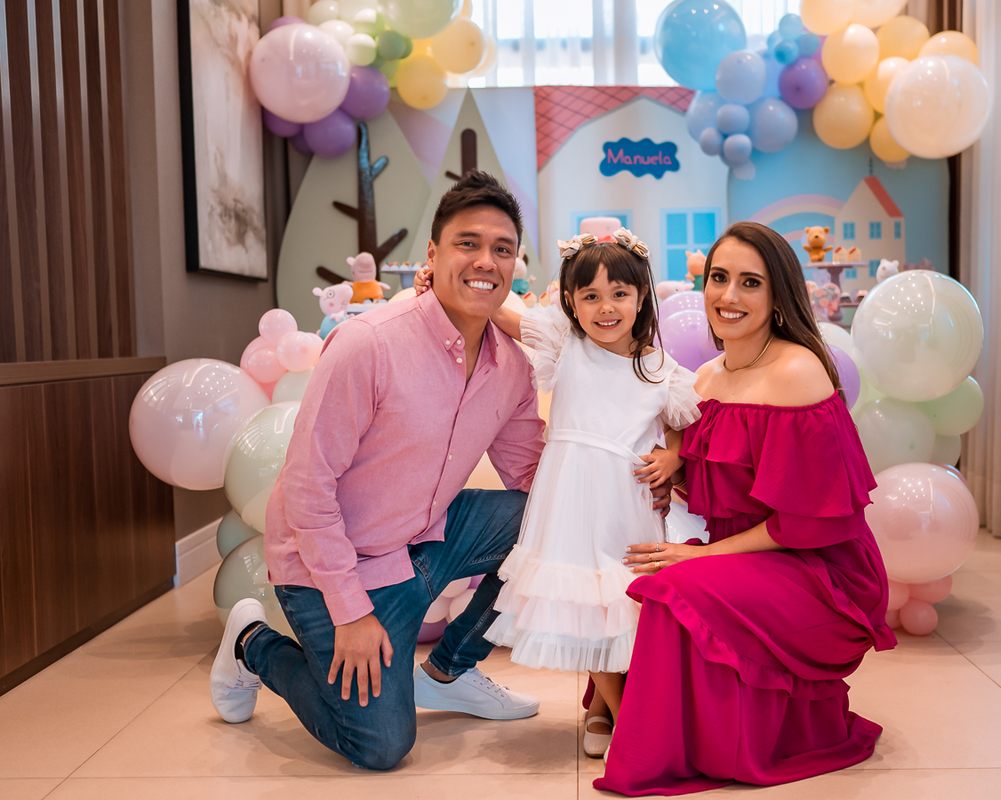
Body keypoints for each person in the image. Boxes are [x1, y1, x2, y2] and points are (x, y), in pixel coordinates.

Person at [209, 171, 551, 770]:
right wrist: (349, 608)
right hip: (336, 564)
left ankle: (448, 672)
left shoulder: (512, 368)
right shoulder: (368, 344)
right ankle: (253, 644)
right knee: (380, 745)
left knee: (549, 519)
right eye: (468, 243)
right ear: (432, 255)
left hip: (426, 540)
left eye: (502, 248)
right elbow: (307, 486)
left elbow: (533, 475)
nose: (485, 261)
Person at [594, 221, 897, 795]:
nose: (728, 295)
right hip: (750, 555)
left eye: (750, 282)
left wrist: (695, 557)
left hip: (818, 568)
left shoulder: (797, 371)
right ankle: (626, 713)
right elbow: (719, 480)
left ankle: (666, 744)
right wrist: (670, 474)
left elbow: (802, 522)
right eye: (719, 278)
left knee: (671, 585)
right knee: (618, 567)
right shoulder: (708, 378)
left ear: (778, 294)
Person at [414, 228, 701, 758]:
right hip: (569, 499)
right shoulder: (567, 345)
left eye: (619, 293)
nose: (606, 307)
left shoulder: (661, 370)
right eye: (590, 295)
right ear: (570, 301)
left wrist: (674, 456)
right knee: (583, 602)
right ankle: (625, 717)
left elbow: (682, 422)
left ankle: (602, 709)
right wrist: (444, 285)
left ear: (642, 297)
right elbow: (500, 313)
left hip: (626, 503)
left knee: (620, 604)